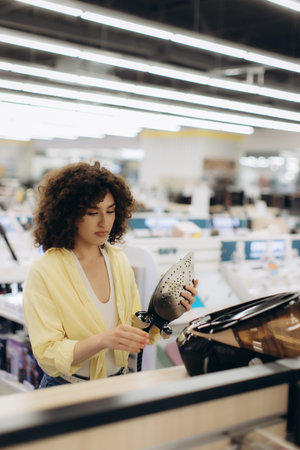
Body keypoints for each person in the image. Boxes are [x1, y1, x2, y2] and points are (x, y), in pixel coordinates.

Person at [23, 161, 198, 388]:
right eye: (92, 212)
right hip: (65, 388)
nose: (104, 222)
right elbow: (48, 352)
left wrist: (166, 312)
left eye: (111, 210)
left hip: (116, 384)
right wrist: (102, 340)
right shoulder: (45, 271)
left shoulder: (118, 260)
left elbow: (134, 330)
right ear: (69, 214)